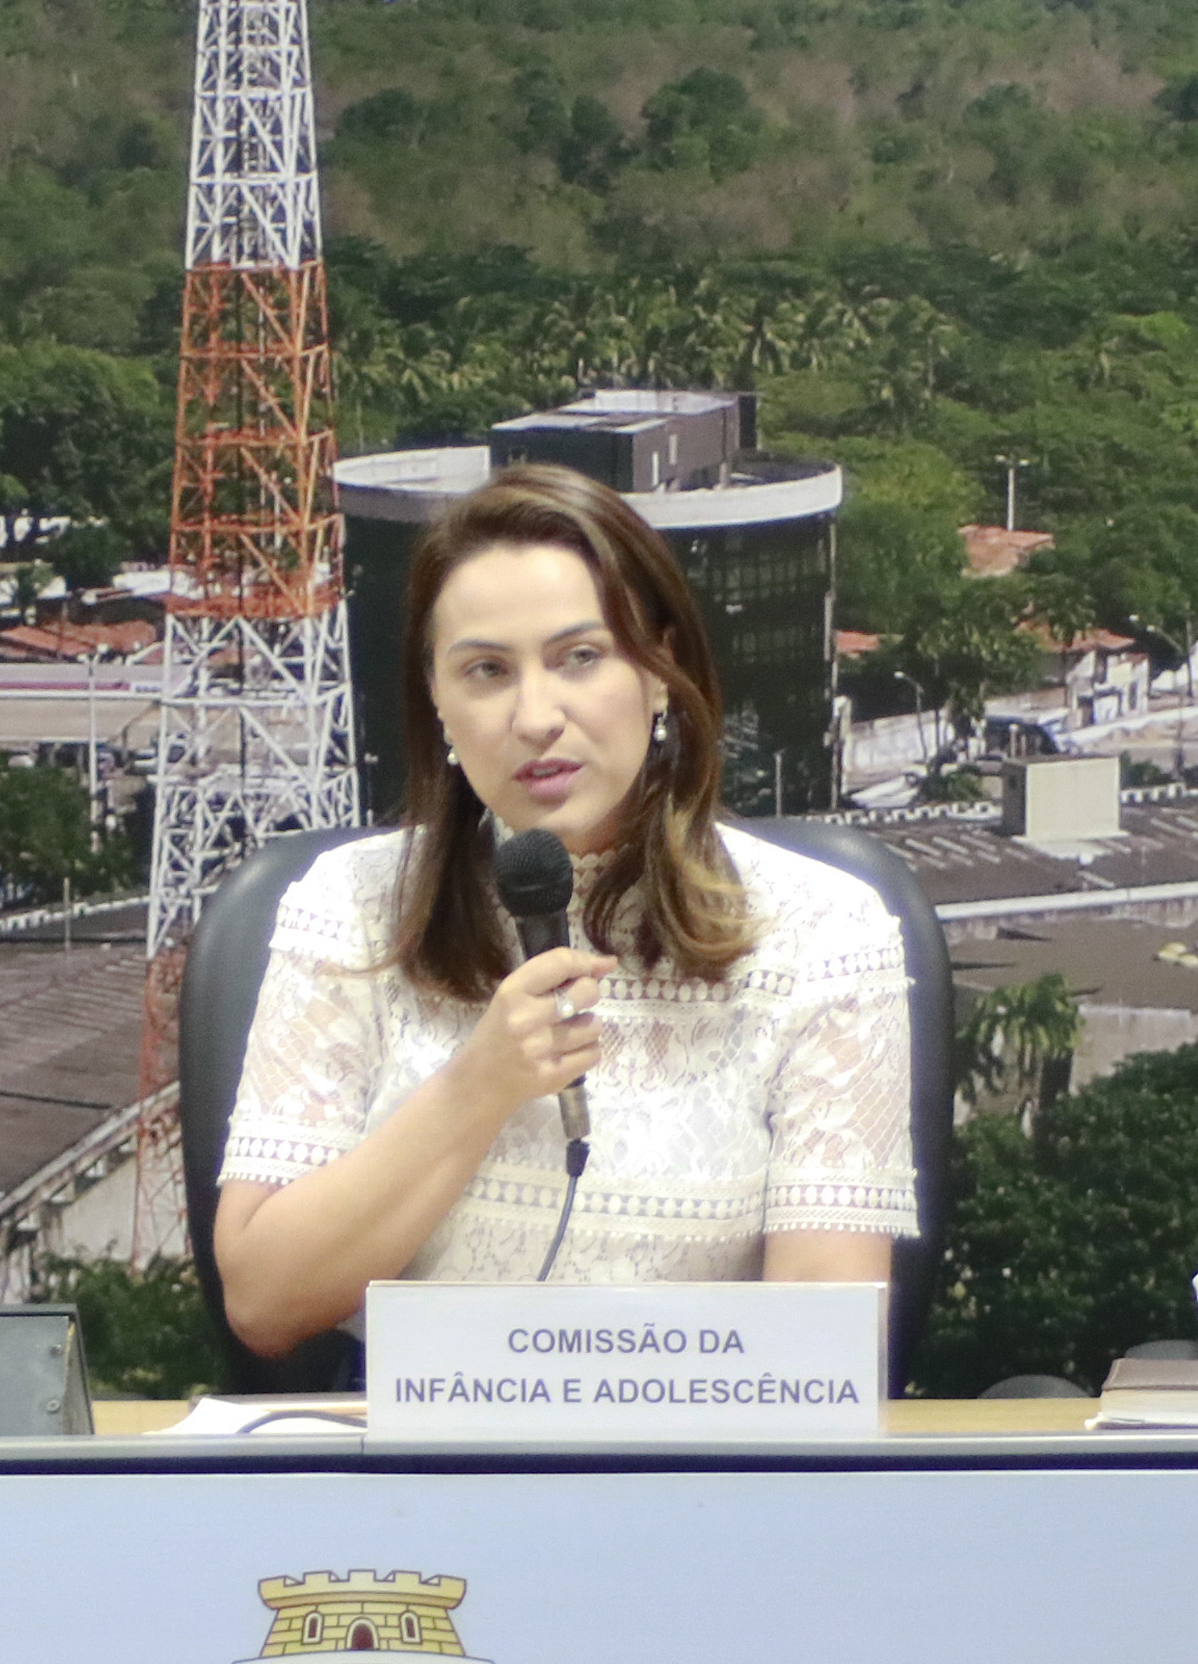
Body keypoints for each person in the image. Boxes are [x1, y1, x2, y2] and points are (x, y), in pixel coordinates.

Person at [212, 463, 916, 1354]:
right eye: (486, 671)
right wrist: (477, 1087)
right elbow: (264, 1300)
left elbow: (822, 1347)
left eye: (580, 657)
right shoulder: (349, 906)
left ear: (659, 672)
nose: (536, 715)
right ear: (438, 702)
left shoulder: (825, 931)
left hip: (705, 1438)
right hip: (421, 1442)